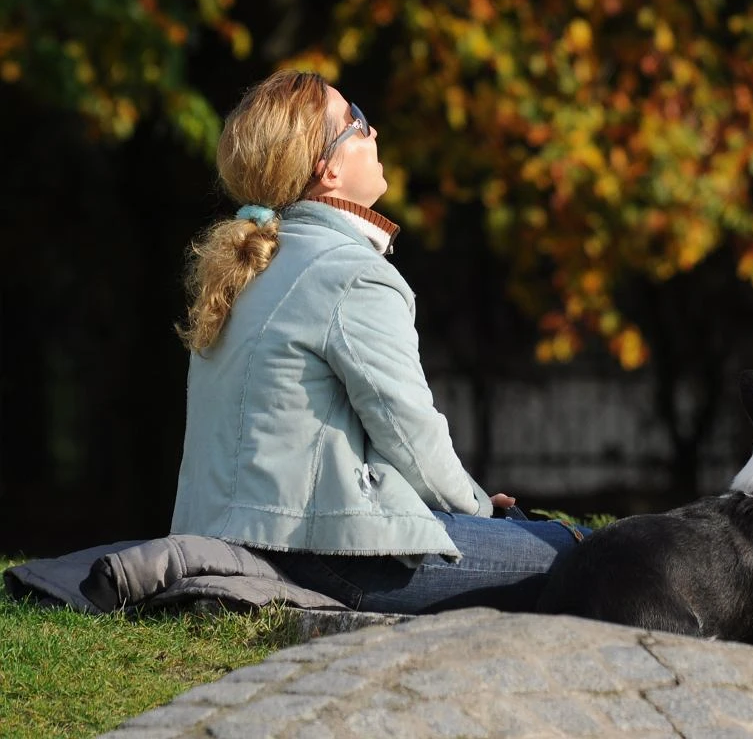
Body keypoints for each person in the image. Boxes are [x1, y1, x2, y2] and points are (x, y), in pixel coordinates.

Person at [170, 69, 581, 614]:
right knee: (595, 554)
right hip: (324, 555)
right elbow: (411, 435)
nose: (374, 132)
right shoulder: (349, 273)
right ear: (329, 168)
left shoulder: (253, 267)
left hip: (231, 543)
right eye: (357, 121)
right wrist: (482, 512)